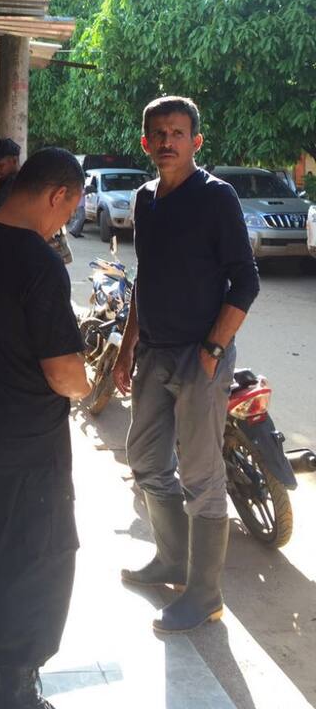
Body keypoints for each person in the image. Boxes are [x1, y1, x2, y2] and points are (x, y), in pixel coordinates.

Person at [0, 148, 91, 709]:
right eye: (68, 211)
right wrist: (87, 387)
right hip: (30, 442)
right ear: (58, 195)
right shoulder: (37, 261)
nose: (63, 224)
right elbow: (63, 373)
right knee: (40, 556)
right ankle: (18, 684)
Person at [112, 96, 260, 634]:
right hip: (153, 352)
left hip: (201, 356)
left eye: (177, 132)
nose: (167, 141)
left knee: (200, 475)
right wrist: (127, 346)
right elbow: (145, 278)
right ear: (145, 142)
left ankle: (205, 596)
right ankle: (173, 560)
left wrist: (213, 349)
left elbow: (246, 281)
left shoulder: (216, 197)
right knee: (146, 460)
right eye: (158, 133)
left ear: (196, 141)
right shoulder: (144, 198)